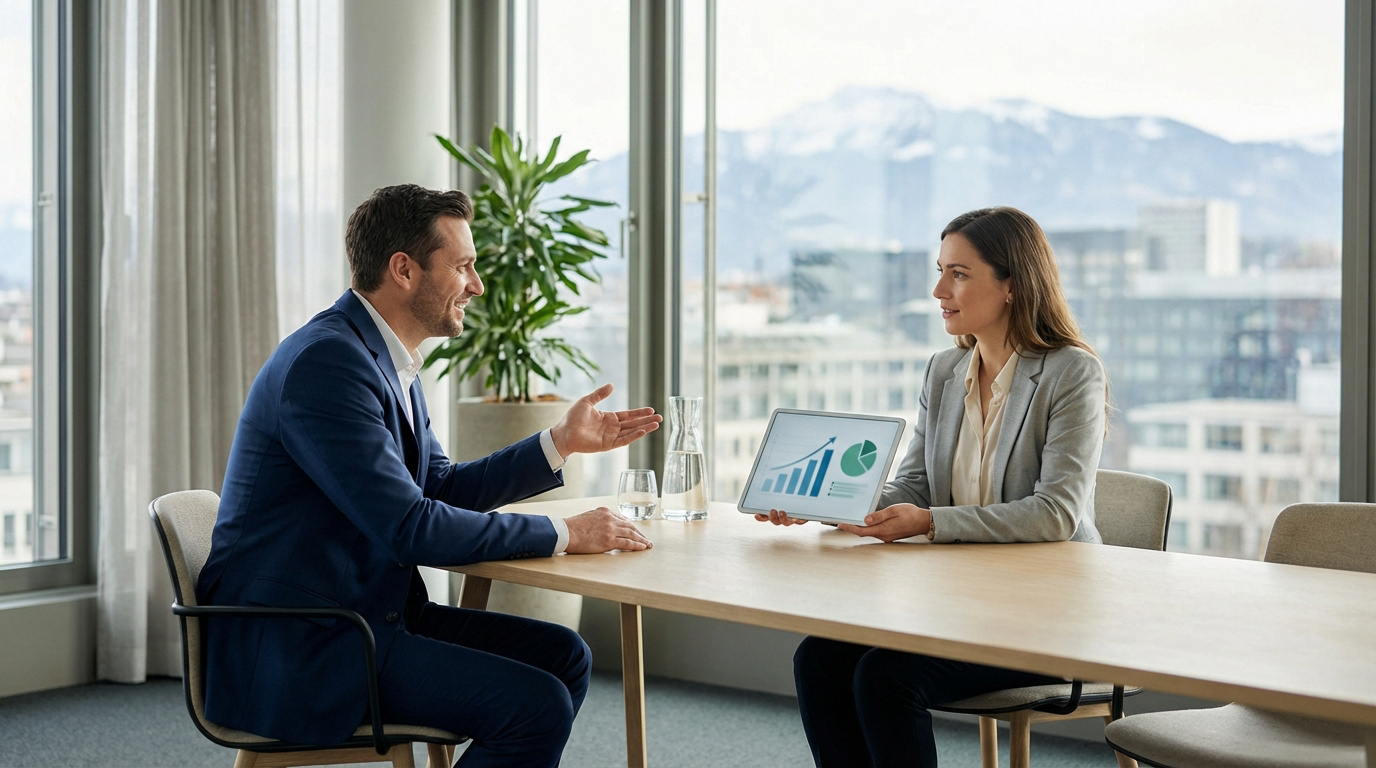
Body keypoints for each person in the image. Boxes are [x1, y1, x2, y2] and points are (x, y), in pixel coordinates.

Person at [197, 184, 662, 768]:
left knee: (564, 654)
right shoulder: (327, 365)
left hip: (362, 614)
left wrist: (559, 443)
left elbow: (437, 486)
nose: (477, 284)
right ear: (404, 270)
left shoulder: (384, 360)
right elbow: (409, 525)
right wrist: (566, 533)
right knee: (534, 705)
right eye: (463, 266)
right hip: (306, 645)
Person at [757, 206, 1108, 767]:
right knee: (817, 659)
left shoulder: (1071, 372)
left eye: (960, 274)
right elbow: (916, 483)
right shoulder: (945, 371)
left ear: (1013, 284)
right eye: (940, 270)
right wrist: (830, 503)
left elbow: (1056, 513)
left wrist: (930, 523)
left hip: (1043, 618)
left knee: (885, 676)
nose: (939, 288)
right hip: (955, 605)